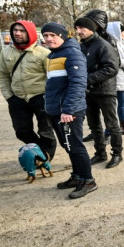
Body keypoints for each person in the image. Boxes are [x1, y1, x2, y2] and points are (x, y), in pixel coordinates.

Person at [41, 23, 97, 199]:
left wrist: (68, 110)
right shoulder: (52, 55)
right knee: (68, 145)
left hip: (69, 111)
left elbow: (78, 84)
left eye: (53, 35)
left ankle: (88, 181)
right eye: (46, 35)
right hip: (56, 110)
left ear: (63, 36)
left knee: (75, 145)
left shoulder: (72, 54)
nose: (49, 39)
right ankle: (77, 176)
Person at [0, 19, 57, 162]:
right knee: (21, 131)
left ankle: (46, 157)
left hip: (40, 97)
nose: (17, 33)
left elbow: (52, 77)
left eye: (22, 31)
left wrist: (49, 96)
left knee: (45, 131)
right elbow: (3, 75)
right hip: (17, 98)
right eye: (15, 30)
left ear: (30, 33)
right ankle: (39, 152)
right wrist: (9, 97)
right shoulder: (6, 53)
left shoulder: (44, 53)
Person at [75, 12, 123, 169]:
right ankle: (100, 153)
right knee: (94, 124)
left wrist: (87, 79)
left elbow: (112, 68)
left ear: (91, 28)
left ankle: (117, 153)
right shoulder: (83, 46)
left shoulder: (103, 44)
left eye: (81, 28)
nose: (78, 31)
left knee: (112, 124)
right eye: (77, 28)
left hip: (105, 91)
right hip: (89, 92)